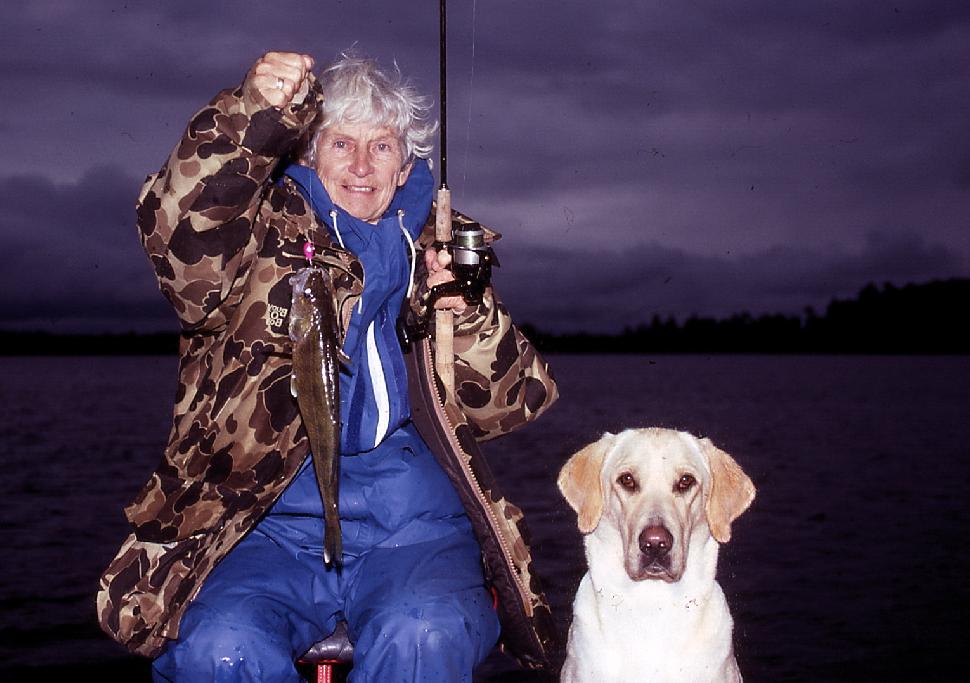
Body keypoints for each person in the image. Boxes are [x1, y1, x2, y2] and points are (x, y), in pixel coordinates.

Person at [97, 51, 559, 682]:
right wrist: (251, 116)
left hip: (413, 524)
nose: (363, 166)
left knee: (423, 633)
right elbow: (180, 236)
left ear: (405, 166)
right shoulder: (254, 233)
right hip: (261, 520)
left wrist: (468, 313)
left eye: (383, 146)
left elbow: (510, 406)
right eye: (341, 143)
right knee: (219, 647)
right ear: (310, 154)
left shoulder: (442, 249)